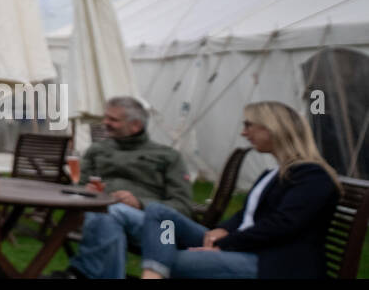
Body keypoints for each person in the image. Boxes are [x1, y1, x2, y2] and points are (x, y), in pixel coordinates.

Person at [140, 101, 341, 279]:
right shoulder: (273, 173)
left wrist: (225, 245)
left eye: (249, 125)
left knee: (168, 259)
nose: (244, 133)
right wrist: (224, 229)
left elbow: (283, 225)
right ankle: (155, 270)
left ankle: (153, 272)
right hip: (245, 246)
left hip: (273, 262)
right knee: (159, 212)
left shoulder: (312, 176)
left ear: (272, 128)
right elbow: (246, 215)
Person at [48, 96, 194, 278]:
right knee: (107, 214)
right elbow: (79, 185)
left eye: (113, 120)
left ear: (136, 125)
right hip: (102, 216)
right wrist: (85, 191)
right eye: (106, 117)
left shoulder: (167, 156)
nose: (105, 123)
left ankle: (81, 273)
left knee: (109, 212)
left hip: (157, 227)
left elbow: (182, 207)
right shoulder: (97, 150)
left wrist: (140, 203)